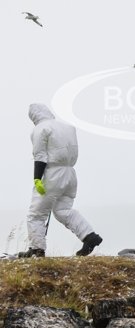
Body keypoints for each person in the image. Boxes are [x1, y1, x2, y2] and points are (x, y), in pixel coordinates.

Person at [18, 103, 102, 258]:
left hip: (53, 174)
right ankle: (90, 236)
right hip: (70, 173)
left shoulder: (40, 129)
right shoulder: (68, 127)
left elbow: (40, 156)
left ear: (34, 116)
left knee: (36, 214)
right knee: (63, 210)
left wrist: (37, 178)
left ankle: (37, 250)